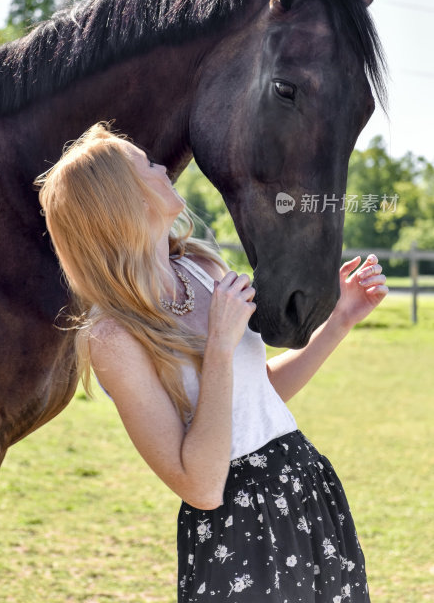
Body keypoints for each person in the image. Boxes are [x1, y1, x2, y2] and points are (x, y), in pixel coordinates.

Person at [35, 122, 388, 603]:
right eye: (149, 167)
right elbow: (200, 486)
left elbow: (257, 392)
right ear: (126, 202)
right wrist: (220, 344)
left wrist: (341, 320)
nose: (164, 169)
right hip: (237, 529)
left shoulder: (201, 268)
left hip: (303, 487)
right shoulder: (112, 337)